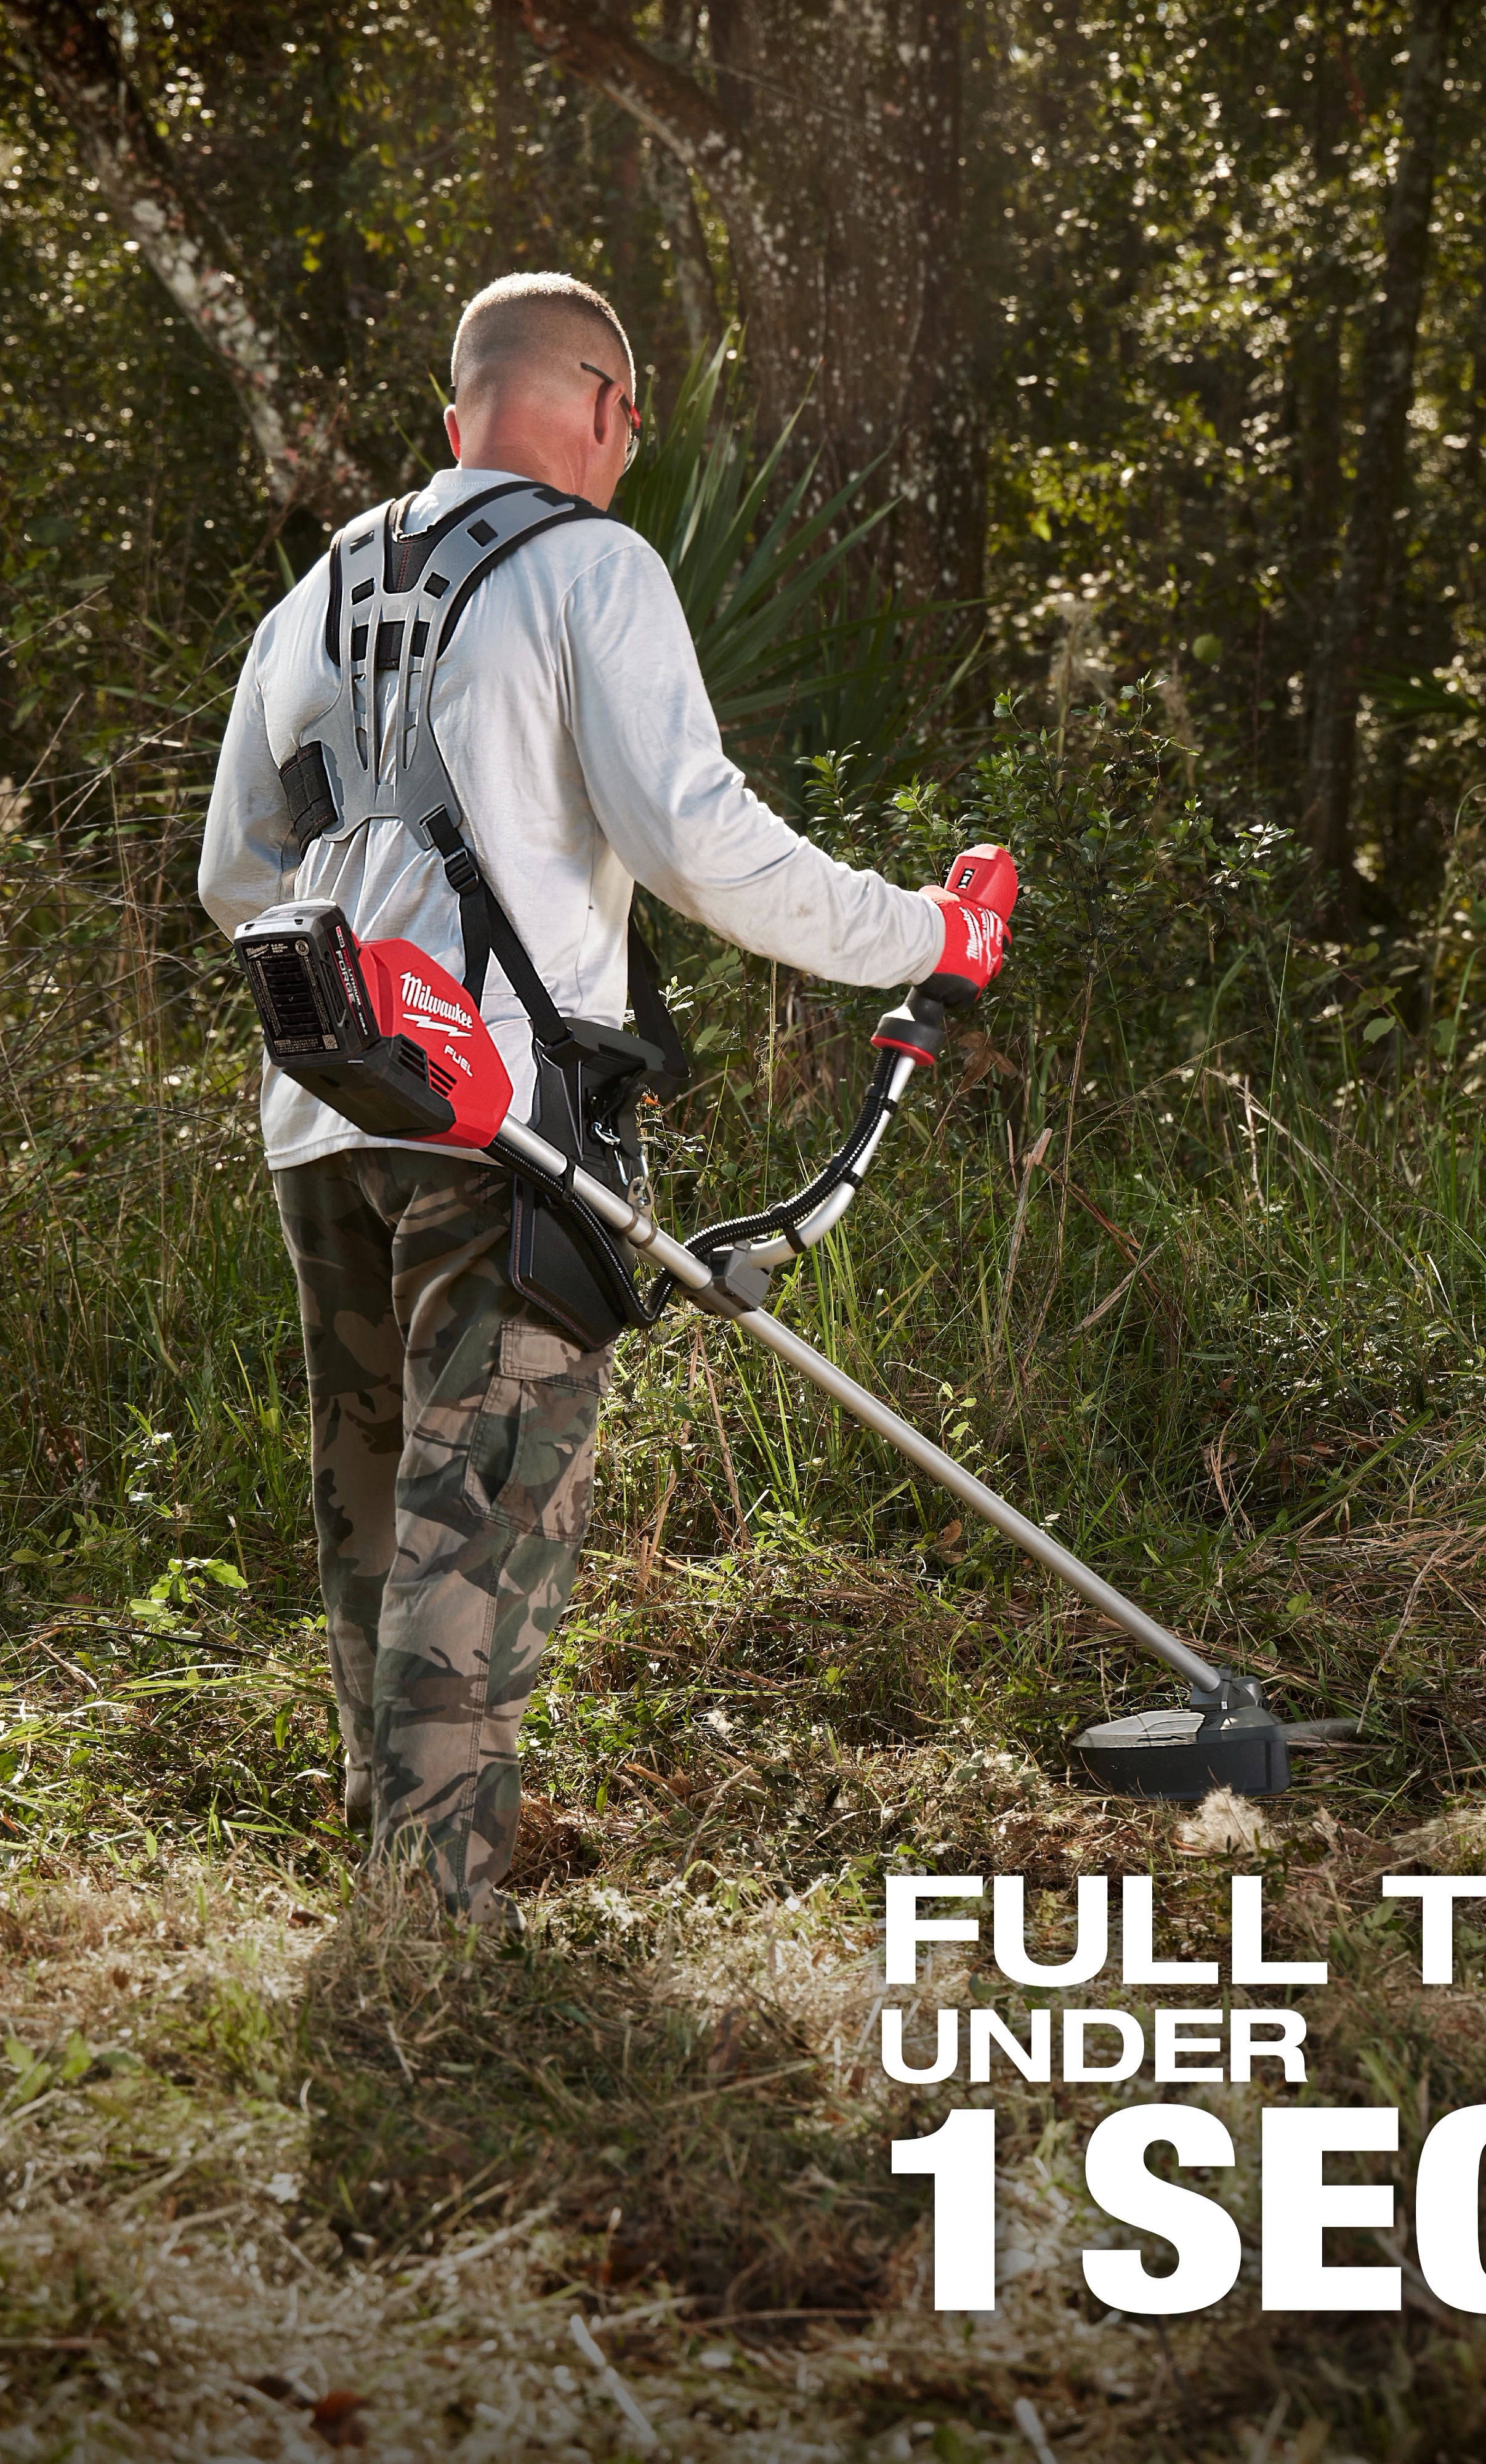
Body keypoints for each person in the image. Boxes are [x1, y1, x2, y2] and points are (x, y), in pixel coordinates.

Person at [200, 271, 1011, 1926]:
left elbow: (235, 877)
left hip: (321, 1112)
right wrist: (932, 932)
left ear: (455, 416)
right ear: (608, 406)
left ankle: (402, 1833)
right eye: (632, 423)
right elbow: (703, 846)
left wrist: (372, 966)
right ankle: (435, 1915)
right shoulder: (593, 568)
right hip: (490, 1126)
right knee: (483, 1506)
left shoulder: (317, 596)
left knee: (374, 1484)